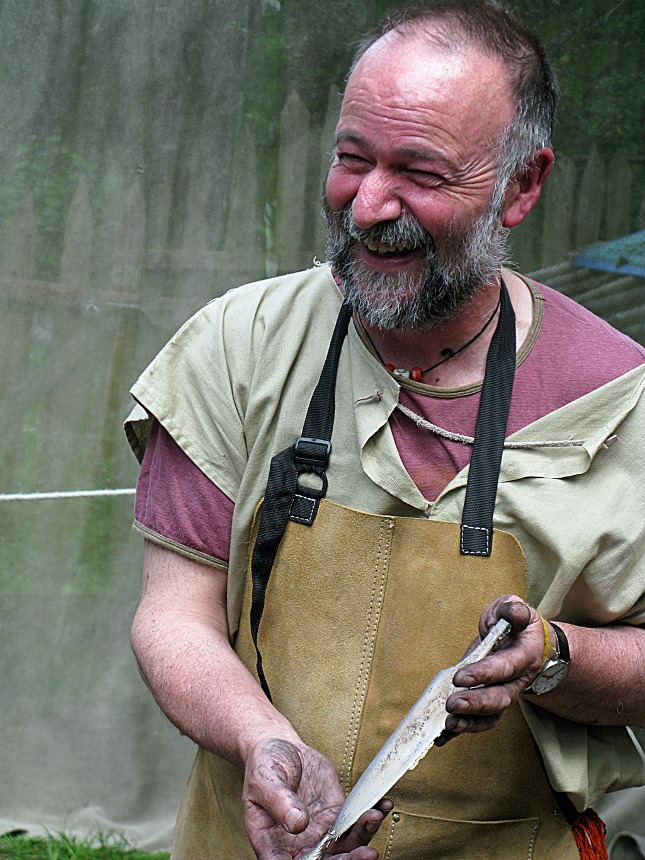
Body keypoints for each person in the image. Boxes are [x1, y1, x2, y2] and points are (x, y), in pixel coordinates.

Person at [125, 2, 645, 858]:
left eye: (421, 172)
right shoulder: (239, 344)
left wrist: (554, 657)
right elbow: (172, 616)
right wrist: (265, 744)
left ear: (522, 185)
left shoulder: (622, 399)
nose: (367, 206)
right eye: (351, 159)